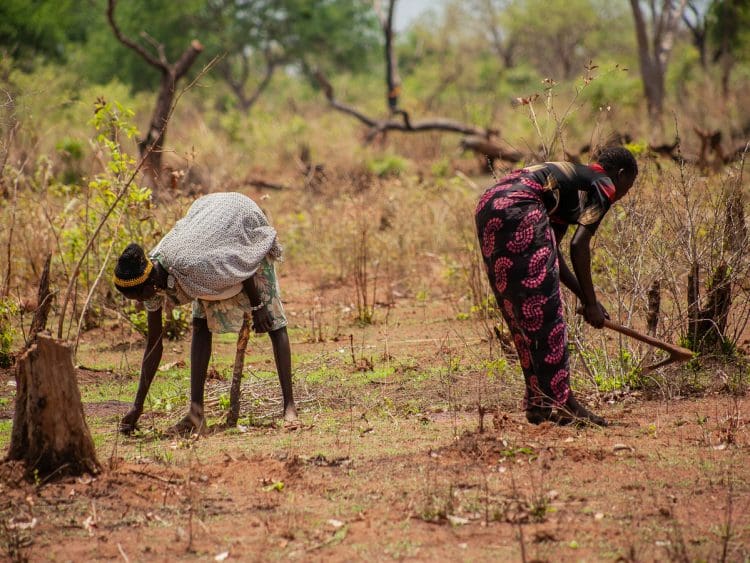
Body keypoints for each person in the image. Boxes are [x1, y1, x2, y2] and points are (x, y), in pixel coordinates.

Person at [475, 147, 638, 426]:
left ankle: (540, 402)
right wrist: (590, 302)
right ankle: (564, 403)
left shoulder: (573, 187)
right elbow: (579, 245)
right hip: (519, 205)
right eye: (628, 186)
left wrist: (586, 299)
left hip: (490, 204)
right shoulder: (604, 183)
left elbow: (555, 255)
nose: (623, 194)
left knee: (523, 310)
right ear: (621, 175)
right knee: (546, 312)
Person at [113, 192, 298, 435]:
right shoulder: (151, 283)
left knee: (273, 322)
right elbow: (154, 344)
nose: (138, 304)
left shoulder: (193, 266)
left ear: (149, 285)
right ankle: (196, 414)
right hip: (210, 226)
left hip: (240, 222)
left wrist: (258, 307)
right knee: (200, 324)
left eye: (138, 298)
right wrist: (137, 407)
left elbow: (241, 262)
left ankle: (290, 407)